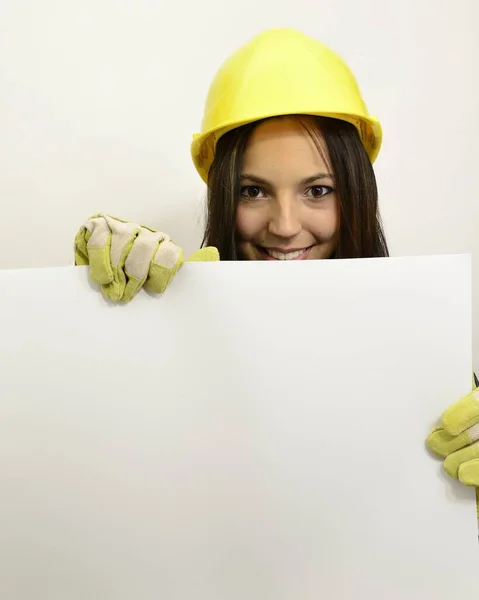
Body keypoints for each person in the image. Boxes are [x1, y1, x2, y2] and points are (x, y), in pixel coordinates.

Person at [73, 28, 479, 527]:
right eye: (252, 192)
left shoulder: (427, 356)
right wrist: (98, 315)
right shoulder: (175, 339)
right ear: (223, 195)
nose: (285, 227)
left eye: (318, 190)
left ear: (355, 193)